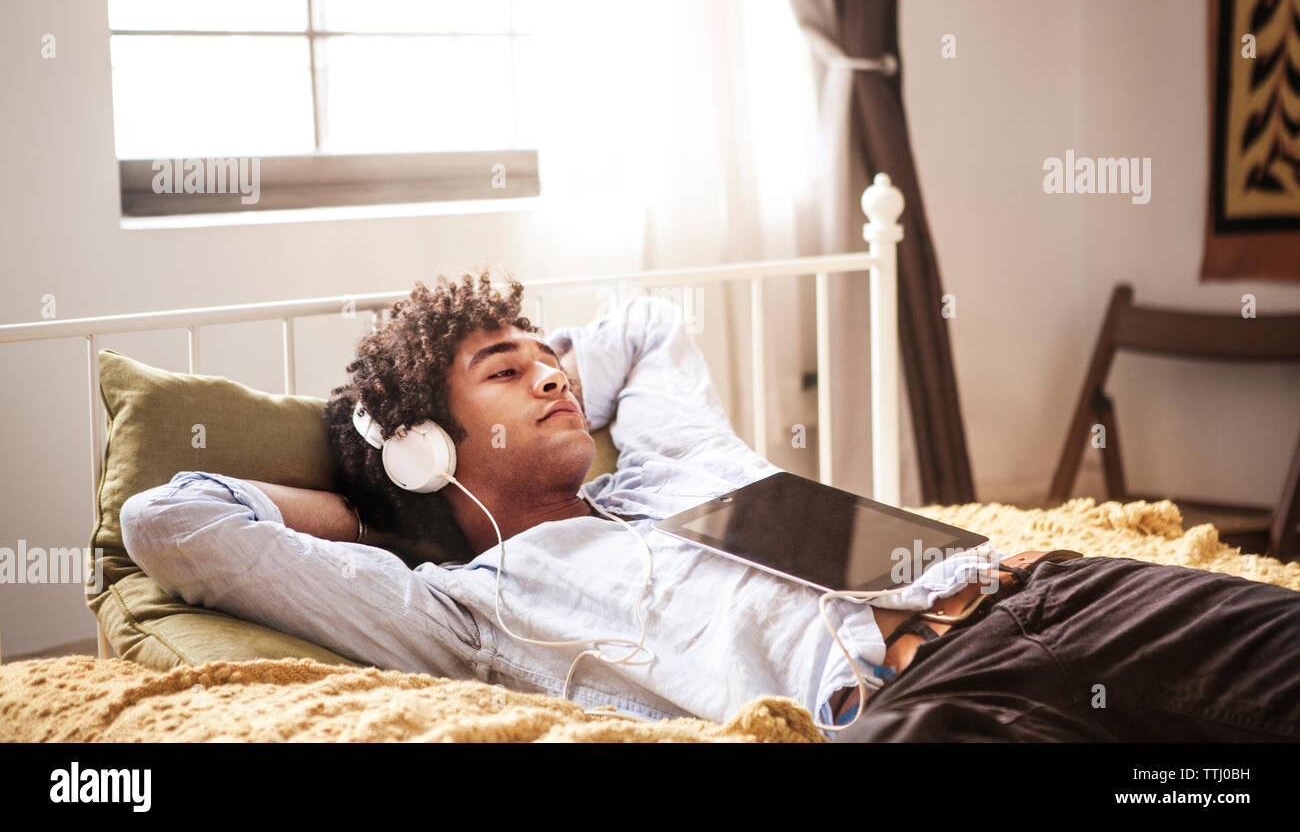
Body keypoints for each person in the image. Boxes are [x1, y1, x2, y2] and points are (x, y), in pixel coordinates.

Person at [120, 269, 1300, 741]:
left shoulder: (673, 457)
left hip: (1035, 588)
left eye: (549, 354)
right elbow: (172, 523)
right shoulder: (465, 606)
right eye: (504, 368)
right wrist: (375, 499)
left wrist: (526, 363)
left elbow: (646, 321)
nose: (554, 372)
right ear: (430, 447)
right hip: (918, 707)